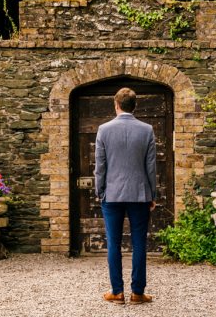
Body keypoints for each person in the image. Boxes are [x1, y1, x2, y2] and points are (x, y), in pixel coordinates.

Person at [94, 87, 157, 305]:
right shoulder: (147, 130)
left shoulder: (104, 129)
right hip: (140, 194)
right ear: (135, 105)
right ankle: (137, 293)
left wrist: (99, 191)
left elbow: (100, 166)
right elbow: (151, 167)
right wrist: (152, 193)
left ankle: (117, 292)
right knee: (139, 242)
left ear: (116, 104)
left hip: (111, 194)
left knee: (113, 242)